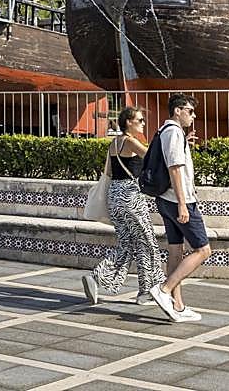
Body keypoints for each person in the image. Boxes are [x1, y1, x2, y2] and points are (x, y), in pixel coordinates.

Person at [81, 107, 164, 307]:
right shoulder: (131, 142)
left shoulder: (113, 143)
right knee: (147, 243)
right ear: (128, 122)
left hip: (115, 196)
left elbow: (108, 172)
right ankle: (147, 292)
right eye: (140, 120)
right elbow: (154, 158)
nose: (143, 123)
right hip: (130, 196)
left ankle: (96, 278)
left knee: (126, 244)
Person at [148, 94, 211, 323]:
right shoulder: (174, 132)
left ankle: (178, 305)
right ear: (177, 111)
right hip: (179, 201)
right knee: (203, 250)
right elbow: (174, 168)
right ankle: (163, 290)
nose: (193, 116)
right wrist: (183, 204)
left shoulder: (165, 131)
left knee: (176, 250)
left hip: (165, 199)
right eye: (189, 111)